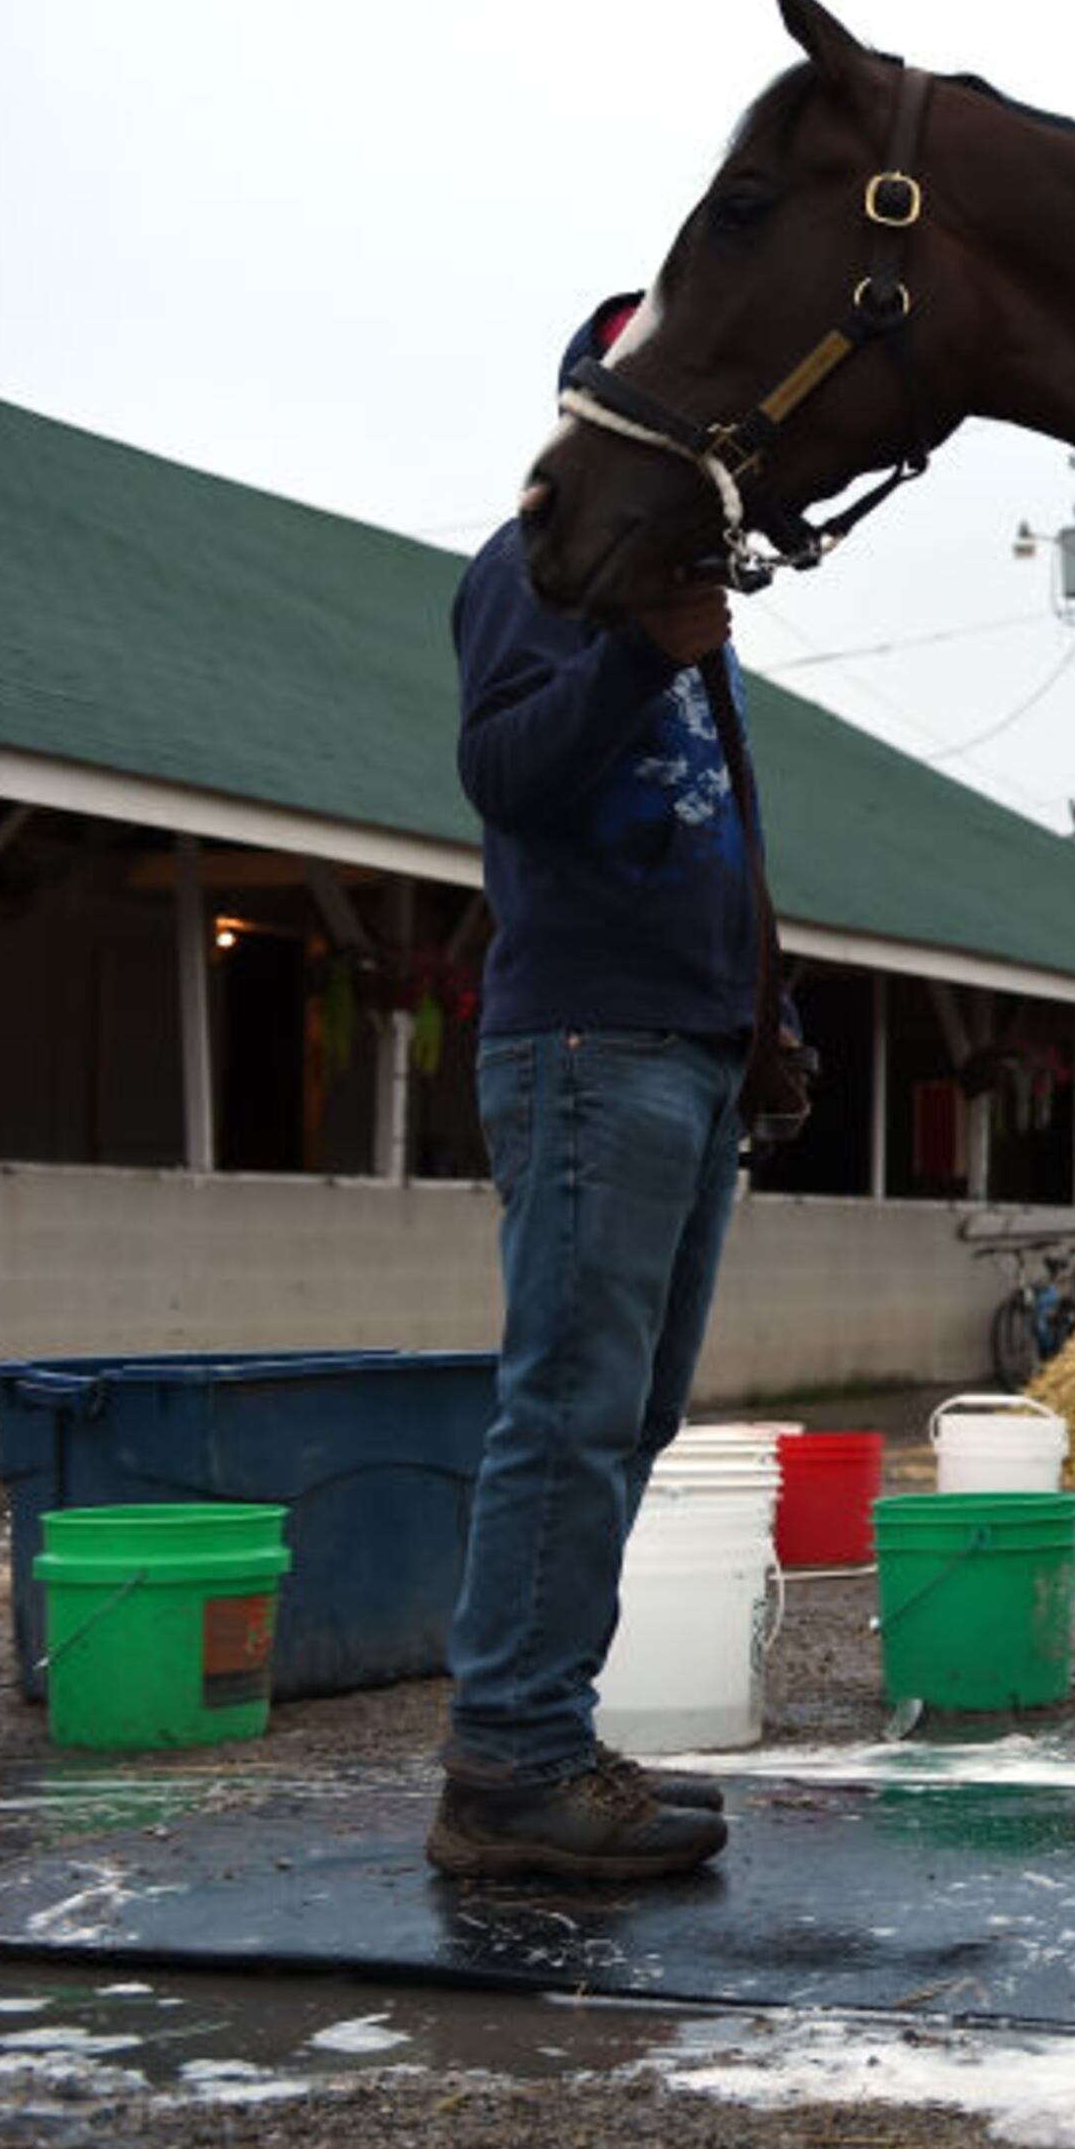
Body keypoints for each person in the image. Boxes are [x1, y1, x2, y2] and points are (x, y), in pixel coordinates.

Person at [426, 292, 765, 1881]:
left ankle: (543, 1730)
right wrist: (638, 651)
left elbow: (722, 832)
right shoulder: (536, 573)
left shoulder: (678, 605)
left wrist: (769, 1012)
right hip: (587, 1041)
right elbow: (502, 772)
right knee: (567, 1405)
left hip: (684, 1043)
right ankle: (507, 1756)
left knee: (627, 1411)